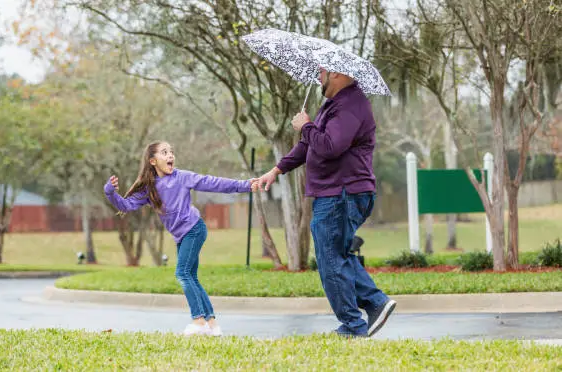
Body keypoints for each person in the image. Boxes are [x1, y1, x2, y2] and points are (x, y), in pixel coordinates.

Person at [257, 67, 396, 338]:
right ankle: (374, 304)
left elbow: (330, 146)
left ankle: (354, 325)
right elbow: (309, 145)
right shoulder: (334, 105)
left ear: (336, 74)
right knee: (336, 256)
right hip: (335, 193)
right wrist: (277, 169)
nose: (317, 77)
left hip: (341, 193)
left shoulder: (350, 106)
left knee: (331, 259)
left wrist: (305, 126)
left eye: (321, 72)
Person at [104, 141, 257, 336]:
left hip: (194, 229)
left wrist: (245, 185)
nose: (170, 156)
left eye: (171, 152)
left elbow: (213, 183)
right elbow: (125, 205)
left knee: (182, 273)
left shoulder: (183, 177)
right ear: (152, 161)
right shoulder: (149, 189)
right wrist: (110, 193)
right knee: (190, 276)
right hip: (182, 235)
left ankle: (199, 321)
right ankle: (212, 324)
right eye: (164, 152)